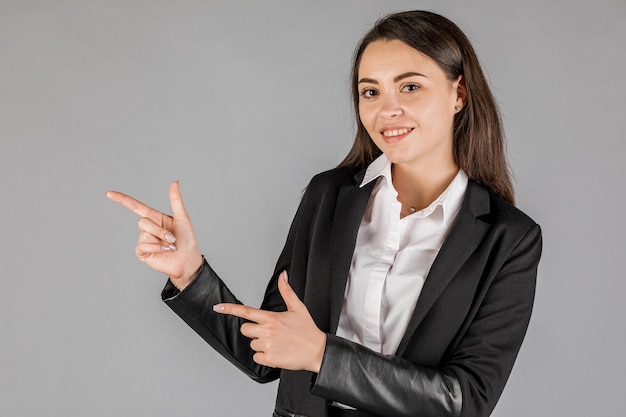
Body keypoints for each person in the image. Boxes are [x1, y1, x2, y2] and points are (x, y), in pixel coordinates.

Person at [106, 10, 542, 417]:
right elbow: (269, 352)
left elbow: (466, 400)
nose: (387, 108)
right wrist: (189, 274)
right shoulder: (330, 195)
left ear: (459, 94)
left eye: (410, 86)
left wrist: (321, 354)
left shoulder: (508, 238)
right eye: (370, 91)